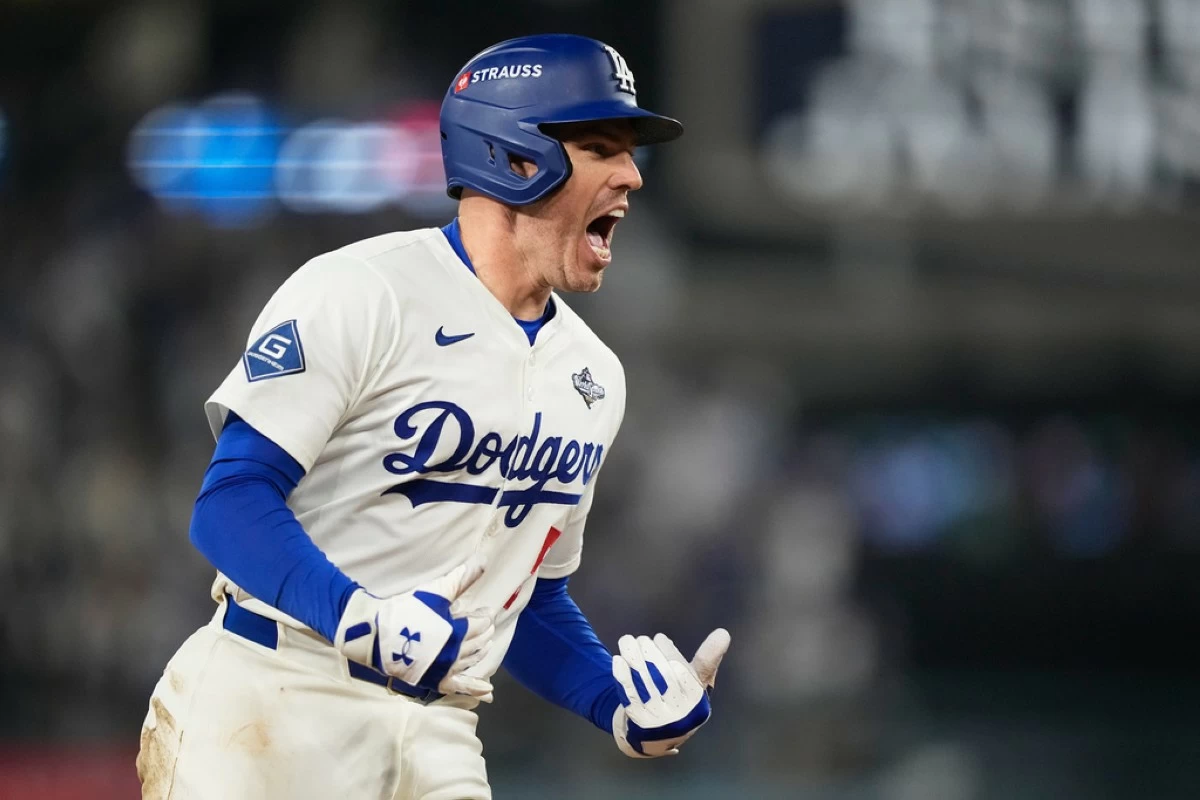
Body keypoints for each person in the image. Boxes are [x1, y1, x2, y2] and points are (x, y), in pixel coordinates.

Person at [136, 33, 730, 800]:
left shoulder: (595, 377)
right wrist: (359, 617)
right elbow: (231, 501)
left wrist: (617, 703)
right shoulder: (364, 290)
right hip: (277, 699)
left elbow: (528, 599)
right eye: (601, 146)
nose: (631, 176)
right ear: (516, 156)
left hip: (443, 730)